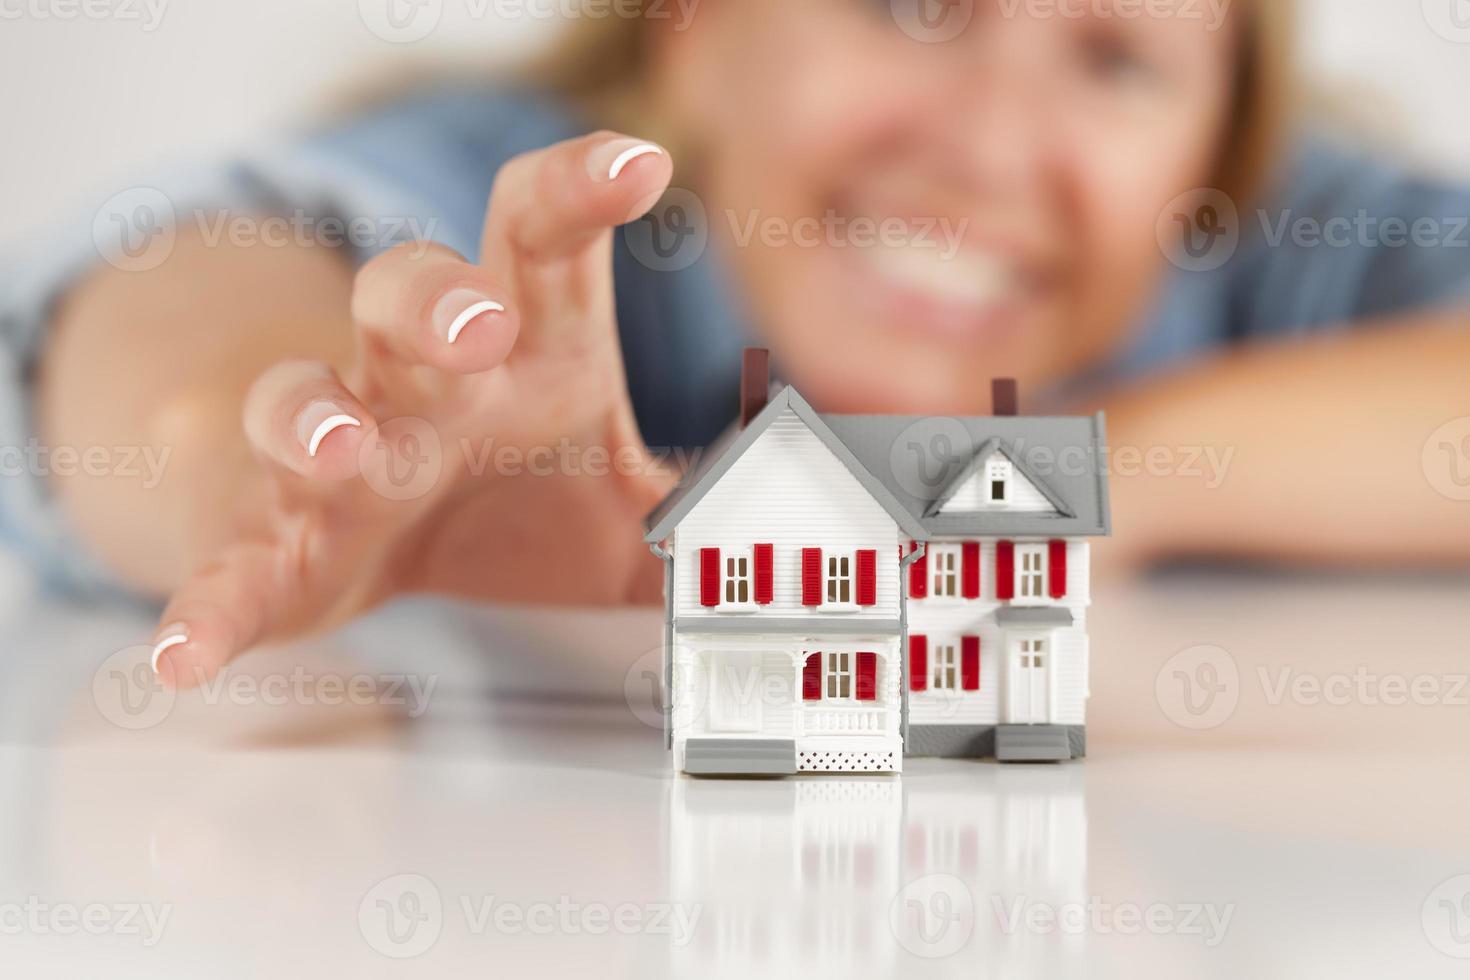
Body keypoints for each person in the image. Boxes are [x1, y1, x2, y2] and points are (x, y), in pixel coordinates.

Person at [6, 0, 1468, 689]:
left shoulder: (1285, 232)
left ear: (1220, 150)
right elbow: (182, 280)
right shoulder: (546, 192)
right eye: (918, 7)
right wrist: (280, 458)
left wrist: (1043, 486)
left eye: (1117, 58)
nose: (990, 145)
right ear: (692, 31)